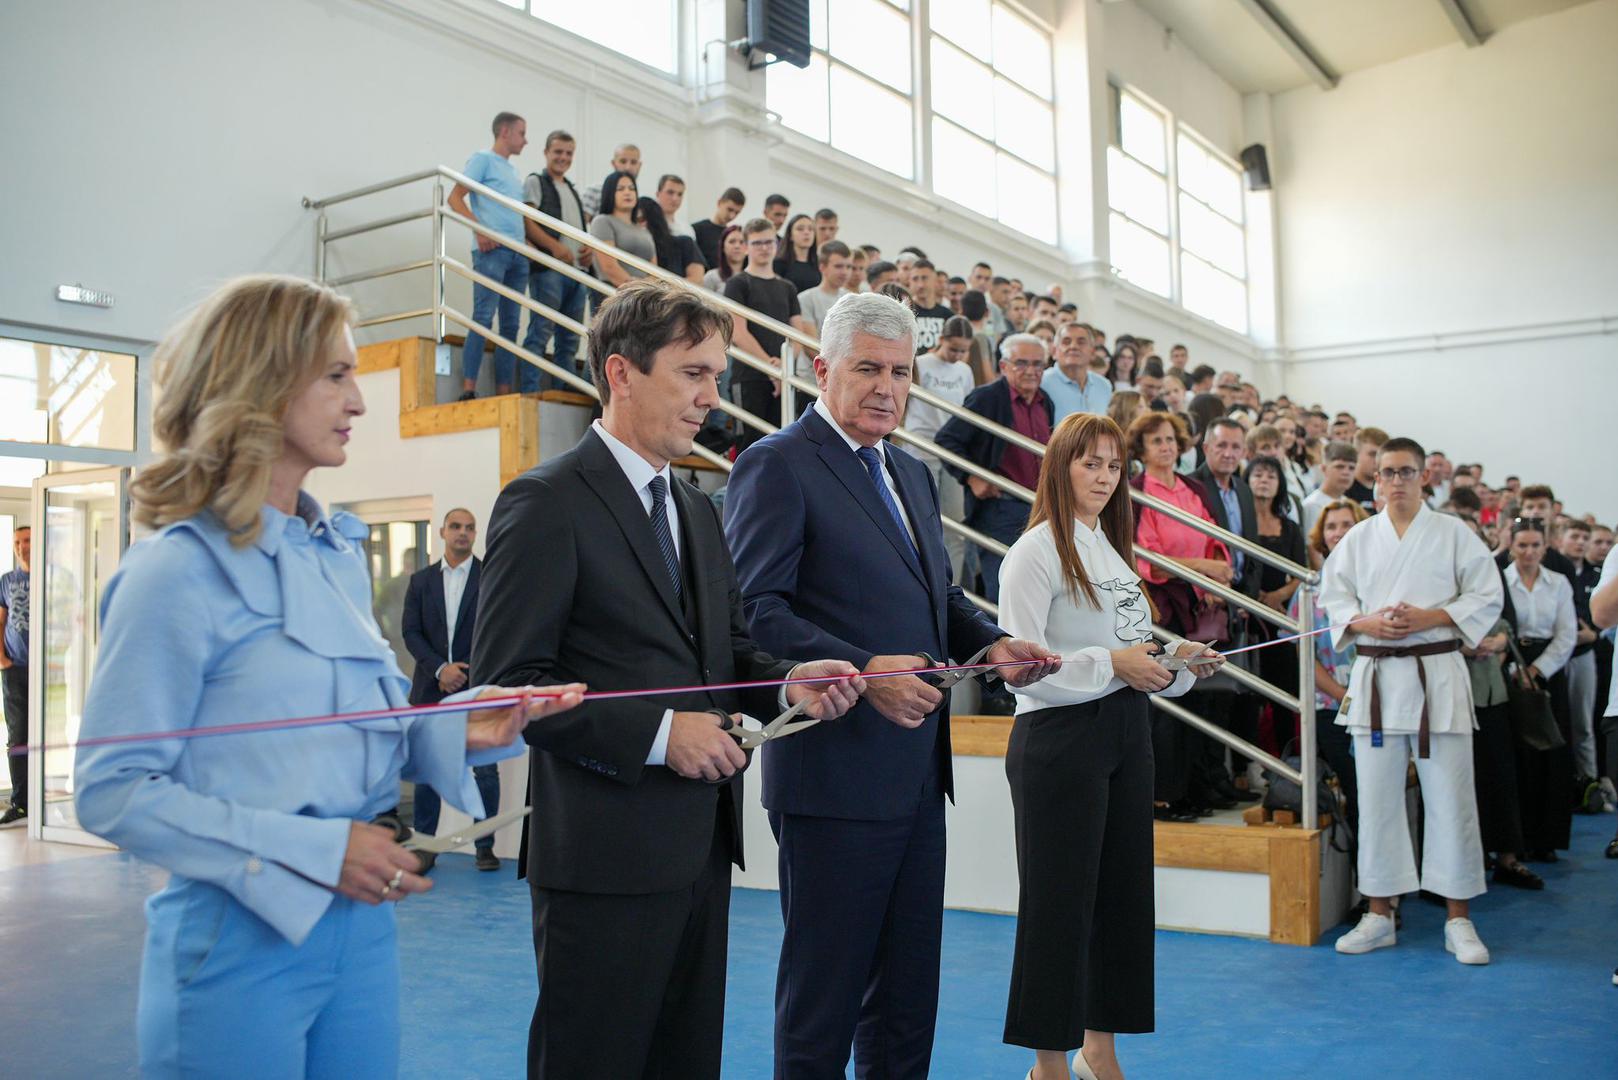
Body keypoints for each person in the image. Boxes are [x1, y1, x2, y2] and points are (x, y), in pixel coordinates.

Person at [71, 274, 585, 1076]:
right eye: (337, 375)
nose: (359, 400)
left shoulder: (333, 558)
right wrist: (313, 849)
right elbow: (113, 789)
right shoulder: (172, 572)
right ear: (263, 382)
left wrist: (461, 726)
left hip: (361, 923)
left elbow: (342, 733)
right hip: (237, 937)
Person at [472, 280, 862, 1080]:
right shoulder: (544, 502)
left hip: (700, 851)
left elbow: (729, 653)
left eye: (717, 376)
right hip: (601, 861)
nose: (712, 398)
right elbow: (509, 684)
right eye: (693, 373)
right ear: (621, 373)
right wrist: (659, 736)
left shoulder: (696, 508)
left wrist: (790, 682)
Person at [723, 290, 1058, 1080]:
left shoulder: (909, 470)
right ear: (821, 370)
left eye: (901, 372)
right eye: (867, 368)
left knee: (907, 998)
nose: (886, 388)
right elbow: (755, 613)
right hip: (832, 776)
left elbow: (939, 598)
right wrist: (865, 669)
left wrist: (993, 644)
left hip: (914, 775)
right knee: (825, 998)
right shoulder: (776, 463)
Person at [999, 413, 1220, 1080]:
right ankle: (1048, 1063)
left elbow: (1134, 648)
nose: (1104, 477)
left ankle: (1100, 1051)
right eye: (1090, 463)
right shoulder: (1034, 552)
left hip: (1125, 731)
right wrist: (1111, 664)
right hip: (1060, 737)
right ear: (1060, 466)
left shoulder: (1110, 550)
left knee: (1122, 900)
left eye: (1114, 465)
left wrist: (1177, 660)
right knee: (1058, 904)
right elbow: (1021, 669)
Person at [1323, 437, 1503, 965]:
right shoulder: (1359, 537)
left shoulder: (1454, 533)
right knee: (1376, 799)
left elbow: (1486, 594)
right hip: (1378, 679)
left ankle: (1458, 919)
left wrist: (1433, 617)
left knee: (1451, 799)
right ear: (1376, 479)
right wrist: (1366, 623)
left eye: (1406, 471)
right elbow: (1335, 600)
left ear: (1424, 477)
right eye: (1387, 472)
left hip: (1436, 677)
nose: (1396, 481)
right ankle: (1379, 913)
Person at [1126, 412, 1234, 821]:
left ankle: (1195, 789)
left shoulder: (1193, 487)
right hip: (1163, 604)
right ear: (1141, 449)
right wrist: (1204, 570)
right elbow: (1149, 560)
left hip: (1199, 602)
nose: (1166, 447)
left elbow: (1214, 540)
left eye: (1171, 439)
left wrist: (1212, 582)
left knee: (1202, 699)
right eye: (1156, 440)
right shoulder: (1137, 492)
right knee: (1168, 702)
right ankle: (1164, 796)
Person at [400, 508, 501, 872]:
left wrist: (464, 671)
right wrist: (441, 669)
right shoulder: (420, 581)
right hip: (431, 688)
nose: (463, 533)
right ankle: (425, 848)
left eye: (469, 528)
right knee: (428, 771)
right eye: (456, 526)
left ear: (475, 534)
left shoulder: (491, 577)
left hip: (477, 686)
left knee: (484, 771)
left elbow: (496, 630)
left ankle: (484, 848)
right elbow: (411, 632)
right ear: (442, 531)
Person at [936, 333, 1055, 603]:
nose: (1031, 371)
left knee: (1036, 590)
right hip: (1000, 508)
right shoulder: (987, 398)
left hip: (1039, 507)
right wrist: (971, 477)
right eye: (1021, 363)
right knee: (1003, 591)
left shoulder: (1045, 400)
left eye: (1038, 364)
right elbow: (947, 440)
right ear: (1003, 366)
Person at [1458, 515, 1541, 889]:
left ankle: (1508, 857)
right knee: (1459, 782)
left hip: (1493, 690)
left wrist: (1500, 642)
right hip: (1452, 691)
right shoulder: (1432, 573)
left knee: (1501, 775)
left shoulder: (1490, 571)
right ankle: (1465, 862)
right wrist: (1460, 645)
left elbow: (1508, 623)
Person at [1289, 499, 1366, 830]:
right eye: (1331, 526)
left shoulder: (1378, 581)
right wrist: (1344, 697)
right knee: (1356, 792)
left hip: (1381, 703)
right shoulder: (1309, 590)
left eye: (1347, 524)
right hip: (1332, 707)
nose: (1339, 532)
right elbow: (1305, 657)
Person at [1504, 517, 1578, 863]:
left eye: (1535, 545)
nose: (1529, 552)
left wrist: (1538, 670)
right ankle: (1516, 839)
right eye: (1522, 545)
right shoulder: (1500, 581)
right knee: (1517, 755)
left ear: (1545, 547)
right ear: (1511, 546)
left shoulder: (1558, 583)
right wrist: (1518, 669)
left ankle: (1546, 839)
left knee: (1552, 752)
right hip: (1510, 666)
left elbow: (1567, 635)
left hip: (1549, 671)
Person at [450, 111, 529, 400]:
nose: (525, 140)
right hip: (492, 250)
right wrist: (479, 229)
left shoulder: (513, 171)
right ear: (505, 132)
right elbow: (455, 197)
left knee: (510, 325)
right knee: (483, 316)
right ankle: (469, 388)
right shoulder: (483, 159)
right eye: (521, 133)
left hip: (516, 252)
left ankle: (503, 390)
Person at [726, 217, 814, 451]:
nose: (764, 248)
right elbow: (738, 333)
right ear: (746, 246)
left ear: (776, 244)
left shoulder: (788, 287)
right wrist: (771, 367)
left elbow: (797, 334)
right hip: (750, 376)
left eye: (768, 242)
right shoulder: (737, 283)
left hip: (783, 377)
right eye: (757, 243)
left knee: (781, 446)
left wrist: (783, 366)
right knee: (749, 444)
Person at [907, 316, 978, 585]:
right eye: (953, 348)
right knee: (922, 521)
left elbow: (967, 410)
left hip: (951, 452)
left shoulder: (964, 371)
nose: (957, 355)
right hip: (920, 445)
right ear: (941, 340)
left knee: (955, 524)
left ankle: (952, 587)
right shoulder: (921, 363)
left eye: (963, 350)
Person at [521, 129, 592, 393]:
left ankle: (563, 389)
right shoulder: (535, 182)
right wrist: (555, 247)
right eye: (558, 152)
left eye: (569, 153)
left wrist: (587, 248)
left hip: (576, 271)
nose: (563, 157)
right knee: (541, 331)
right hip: (549, 269)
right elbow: (528, 221)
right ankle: (530, 390)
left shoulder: (572, 189)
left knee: (570, 338)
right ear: (546, 153)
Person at [1559, 519, 1602, 789]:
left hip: (1583, 653)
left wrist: (1593, 634)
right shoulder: (1554, 568)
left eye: (1585, 538)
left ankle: (1590, 783)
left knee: (1583, 722)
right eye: (1574, 536)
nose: (1580, 542)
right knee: (1556, 721)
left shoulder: (1595, 574)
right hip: (1554, 653)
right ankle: (1561, 785)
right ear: (1561, 538)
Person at [0, 525, 29, 827]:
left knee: (44, 737)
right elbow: (1, 620)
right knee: (18, 737)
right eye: (18, 542)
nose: (22, 546)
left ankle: (40, 801)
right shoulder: (7, 580)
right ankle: (21, 804)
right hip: (14, 670)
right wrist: (3, 659)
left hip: (45, 673)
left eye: (28, 540)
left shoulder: (51, 578)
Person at [587, 172, 656, 286]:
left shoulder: (644, 231)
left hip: (644, 293)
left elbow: (654, 271)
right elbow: (609, 267)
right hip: (614, 291)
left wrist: (648, 291)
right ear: (610, 193)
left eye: (632, 188)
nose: (627, 192)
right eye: (620, 189)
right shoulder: (602, 221)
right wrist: (636, 290)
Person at [1041, 322, 1112, 421]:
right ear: (1054, 351)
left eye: (1081, 342)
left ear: (1092, 352)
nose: (1073, 346)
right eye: (1066, 342)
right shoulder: (1042, 382)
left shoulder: (1104, 386)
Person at [639, 196, 705, 284]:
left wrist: (661, 288)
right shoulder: (636, 252)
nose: (639, 225)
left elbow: (697, 280)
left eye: (641, 219)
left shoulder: (685, 243)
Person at [1302, 441, 1358, 540]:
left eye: (1351, 468)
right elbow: (1312, 545)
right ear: (1324, 469)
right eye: (1339, 467)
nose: (1346, 472)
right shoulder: (1313, 505)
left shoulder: (1347, 502)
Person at [795, 240, 852, 336]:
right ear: (822, 267)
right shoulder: (805, 299)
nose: (845, 272)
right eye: (838, 266)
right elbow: (810, 343)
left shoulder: (852, 298)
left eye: (849, 267)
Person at [581, 142, 641, 217]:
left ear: (639, 165)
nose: (628, 167)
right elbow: (579, 223)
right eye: (623, 161)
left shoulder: (637, 198)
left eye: (633, 162)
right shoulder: (594, 191)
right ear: (613, 163)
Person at [909, 258, 954, 355]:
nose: (920, 285)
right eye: (915, 279)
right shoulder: (905, 313)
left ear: (935, 281)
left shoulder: (948, 315)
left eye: (924, 278)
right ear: (910, 282)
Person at [693, 186, 745, 269]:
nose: (732, 216)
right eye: (729, 209)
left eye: (737, 213)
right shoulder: (696, 229)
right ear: (719, 203)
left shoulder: (731, 235)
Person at [774, 213, 821, 292]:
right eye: (800, 229)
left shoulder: (819, 264)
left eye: (810, 229)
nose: (806, 232)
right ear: (790, 236)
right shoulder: (779, 264)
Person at [1344, 427, 1387, 511]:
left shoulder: (1387, 490)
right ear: (1356, 454)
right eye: (1372, 454)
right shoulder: (1344, 490)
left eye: (1382, 455)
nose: (1377, 460)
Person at [701, 223, 745, 293]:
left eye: (742, 242)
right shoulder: (711, 277)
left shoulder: (754, 278)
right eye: (732, 242)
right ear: (722, 247)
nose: (737, 246)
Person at [655, 174, 697, 241]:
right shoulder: (646, 224)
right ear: (658, 194)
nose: (675, 198)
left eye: (680, 194)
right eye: (670, 192)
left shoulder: (687, 229)